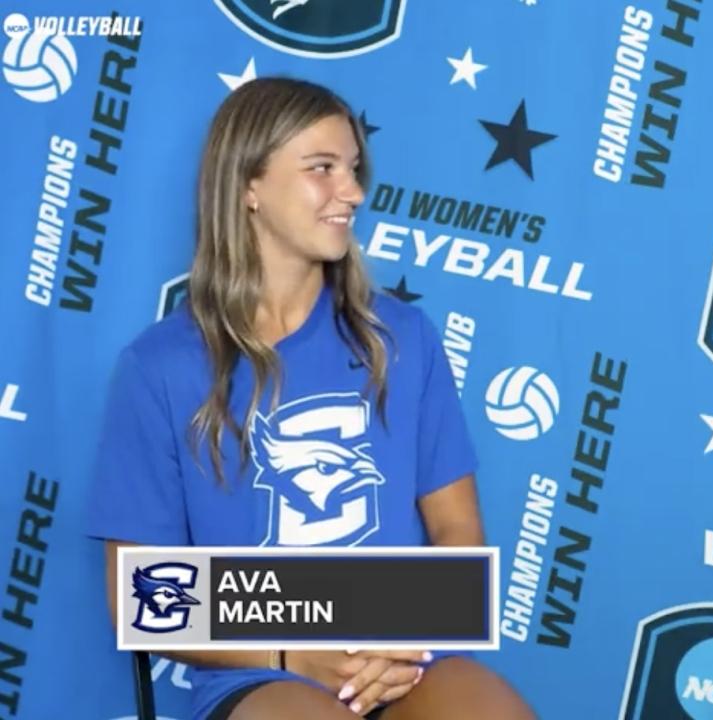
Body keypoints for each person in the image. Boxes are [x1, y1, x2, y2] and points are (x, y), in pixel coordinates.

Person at [85, 77, 536, 720]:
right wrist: (290, 652)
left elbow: (457, 529)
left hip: (404, 659)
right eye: (322, 168)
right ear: (249, 186)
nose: (352, 192)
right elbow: (140, 596)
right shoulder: (159, 367)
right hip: (261, 672)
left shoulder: (403, 337)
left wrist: (406, 643)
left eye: (352, 169)